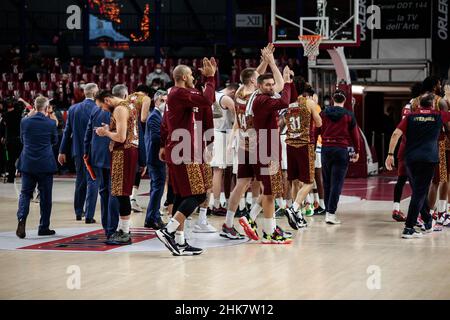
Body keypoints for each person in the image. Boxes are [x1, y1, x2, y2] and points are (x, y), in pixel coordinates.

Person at [156, 58, 217, 256]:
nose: (193, 78)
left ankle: (180, 242)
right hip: (184, 151)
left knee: (182, 195)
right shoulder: (180, 93)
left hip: (180, 148)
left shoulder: (175, 95)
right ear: (183, 77)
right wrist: (209, 77)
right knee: (198, 194)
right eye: (191, 75)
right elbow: (207, 99)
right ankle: (168, 230)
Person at [385, 93, 450, 238]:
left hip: (410, 160)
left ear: (420, 105)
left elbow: (396, 134)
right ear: (433, 104)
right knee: (419, 193)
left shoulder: (410, 116)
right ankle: (409, 228)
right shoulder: (439, 115)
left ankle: (427, 221)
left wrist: (390, 154)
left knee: (418, 191)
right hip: (428, 160)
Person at [245, 68, 292, 244]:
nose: (272, 87)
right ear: (259, 86)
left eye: (272, 84)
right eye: (267, 85)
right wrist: (286, 82)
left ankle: (256, 221)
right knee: (271, 192)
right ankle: (269, 233)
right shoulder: (262, 100)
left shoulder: (263, 98)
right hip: (266, 150)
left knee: (271, 190)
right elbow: (285, 100)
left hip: (268, 147)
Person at [95, 90, 140, 245]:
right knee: (121, 192)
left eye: (102, 106)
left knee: (122, 193)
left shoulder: (120, 109)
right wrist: (110, 129)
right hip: (127, 151)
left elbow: (121, 137)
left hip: (124, 152)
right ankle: (122, 229)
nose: (103, 109)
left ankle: (125, 232)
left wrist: (106, 132)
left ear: (107, 100)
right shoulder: (128, 105)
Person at [16, 96, 58, 239]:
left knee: (25, 193)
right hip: (45, 164)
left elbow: (22, 140)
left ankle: (22, 219)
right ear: (46, 109)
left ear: (34, 107)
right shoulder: (51, 123)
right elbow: (54, 141)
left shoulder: (24, 122)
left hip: (27, 163)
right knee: (46, 197)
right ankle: (44, 227)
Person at [317, 90, 360, 225]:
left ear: (332, 99)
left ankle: (327, 211)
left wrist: (313, 147)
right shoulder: (349, 115)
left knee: (327, 182)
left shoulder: (323, 113)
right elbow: (355, 135)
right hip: (341, 150)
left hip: (326, 149)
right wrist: (357, 150)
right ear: (345, 100)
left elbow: (315, 131)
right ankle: (331, 213)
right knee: (337, 183)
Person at [283, 83, 322, 230]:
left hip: (290, 144)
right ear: (308, 94)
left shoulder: (288, 103)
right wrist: (315, 106)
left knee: (294, 181)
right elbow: (319, 123)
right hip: (305, 145)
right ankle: (294, 208)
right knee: (309, 182)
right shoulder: (309, 103)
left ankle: (297, 214)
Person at [58, 83, 99, 221]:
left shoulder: (73, 108)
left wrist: (61, 151)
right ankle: (89, 215)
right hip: (93, 151)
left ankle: (78, 211)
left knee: (80, 181)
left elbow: (66, 132)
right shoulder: (98, 109)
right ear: (94, 94)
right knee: (93, 181)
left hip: (77, 151)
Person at [391, 82, 423, 222]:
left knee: (401, 179)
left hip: (404, 148)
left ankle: (396, 209)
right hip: (415, 149)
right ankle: (421, 214)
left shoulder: (406, 107)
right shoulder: (417, 108)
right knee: (419, 182)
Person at [83, 95, 112, 226]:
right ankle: (112, 223)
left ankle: (105, 222)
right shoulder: (118, 110)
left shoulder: (95, 110)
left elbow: (88, 133)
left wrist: (86, 152)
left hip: (96, 154)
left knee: (101, 188)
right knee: (113, 190)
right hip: (112, 154)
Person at [210, 84, 238, 217]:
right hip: (222, 133)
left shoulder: (213, 94)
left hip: (214, 132)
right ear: (233, 91)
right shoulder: (227, 99)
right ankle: (216, 205)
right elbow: (237, 118)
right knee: (218, 170)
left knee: (225, 170)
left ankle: (222, 202)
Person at [144, 90, 167, 229]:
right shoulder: (154, 116)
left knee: (156, 188)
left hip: (157, 157)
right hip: (155, 156)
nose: (165, 104)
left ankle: (151, 217)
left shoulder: (160, 115)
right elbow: (156, 137)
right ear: (156, 101)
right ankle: (153, 217)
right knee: (157, 188)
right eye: (162, 101)